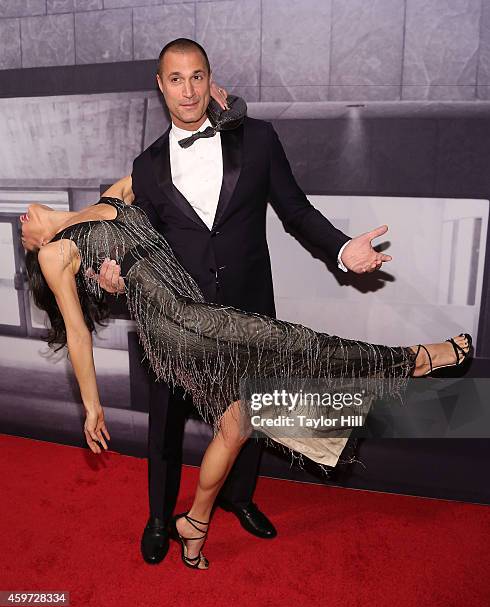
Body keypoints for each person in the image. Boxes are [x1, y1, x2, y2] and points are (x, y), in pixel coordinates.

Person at [22, 194, 471, 570]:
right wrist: (92, 406)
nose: (23, 223)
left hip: (191, 314)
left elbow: (157, 174)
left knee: (238, 423)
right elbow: (78, 333)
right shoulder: (53, 252)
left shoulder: (111, 197)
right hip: (180, 326)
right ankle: (415, 360)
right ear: (37, 245)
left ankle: (193, 528)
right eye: (23, 235)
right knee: (297, 344)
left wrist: (224, 113)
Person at [95, 37, 395, 562]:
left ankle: (239, 498)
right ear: (160, 86)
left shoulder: (257, 139)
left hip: (248, 307)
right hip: (178, 320)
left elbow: (296, 212)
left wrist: (345, 249)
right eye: (176, 79)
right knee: (163, 423)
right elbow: (143, 242)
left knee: (252, 413)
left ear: (211, 80)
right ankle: (161, 519)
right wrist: (116, 270)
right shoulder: (145, 169)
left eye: (197, 77)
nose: (188, 90)